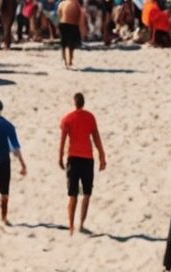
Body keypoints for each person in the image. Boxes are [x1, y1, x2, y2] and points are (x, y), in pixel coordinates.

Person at [59, 92, 107, 235]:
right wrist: (102, 156)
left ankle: (71, 226)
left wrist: (59, 157)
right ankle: (81, 224)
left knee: (73, 194)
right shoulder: (90, 117)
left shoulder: (67, 119)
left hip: (73, 158)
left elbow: (62, 140)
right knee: (86, 193)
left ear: (75, 103)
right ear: (83, 103)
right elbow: (96, 138)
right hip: (87, 159)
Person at [57, 0, 86, 67]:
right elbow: (81, 14)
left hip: (63, 24)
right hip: (72, 25)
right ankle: (69, 60)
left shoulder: (63, 3)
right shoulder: (76, 3)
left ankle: (65, 60)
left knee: (64, 43)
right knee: (70, 44)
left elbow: (59, 14)